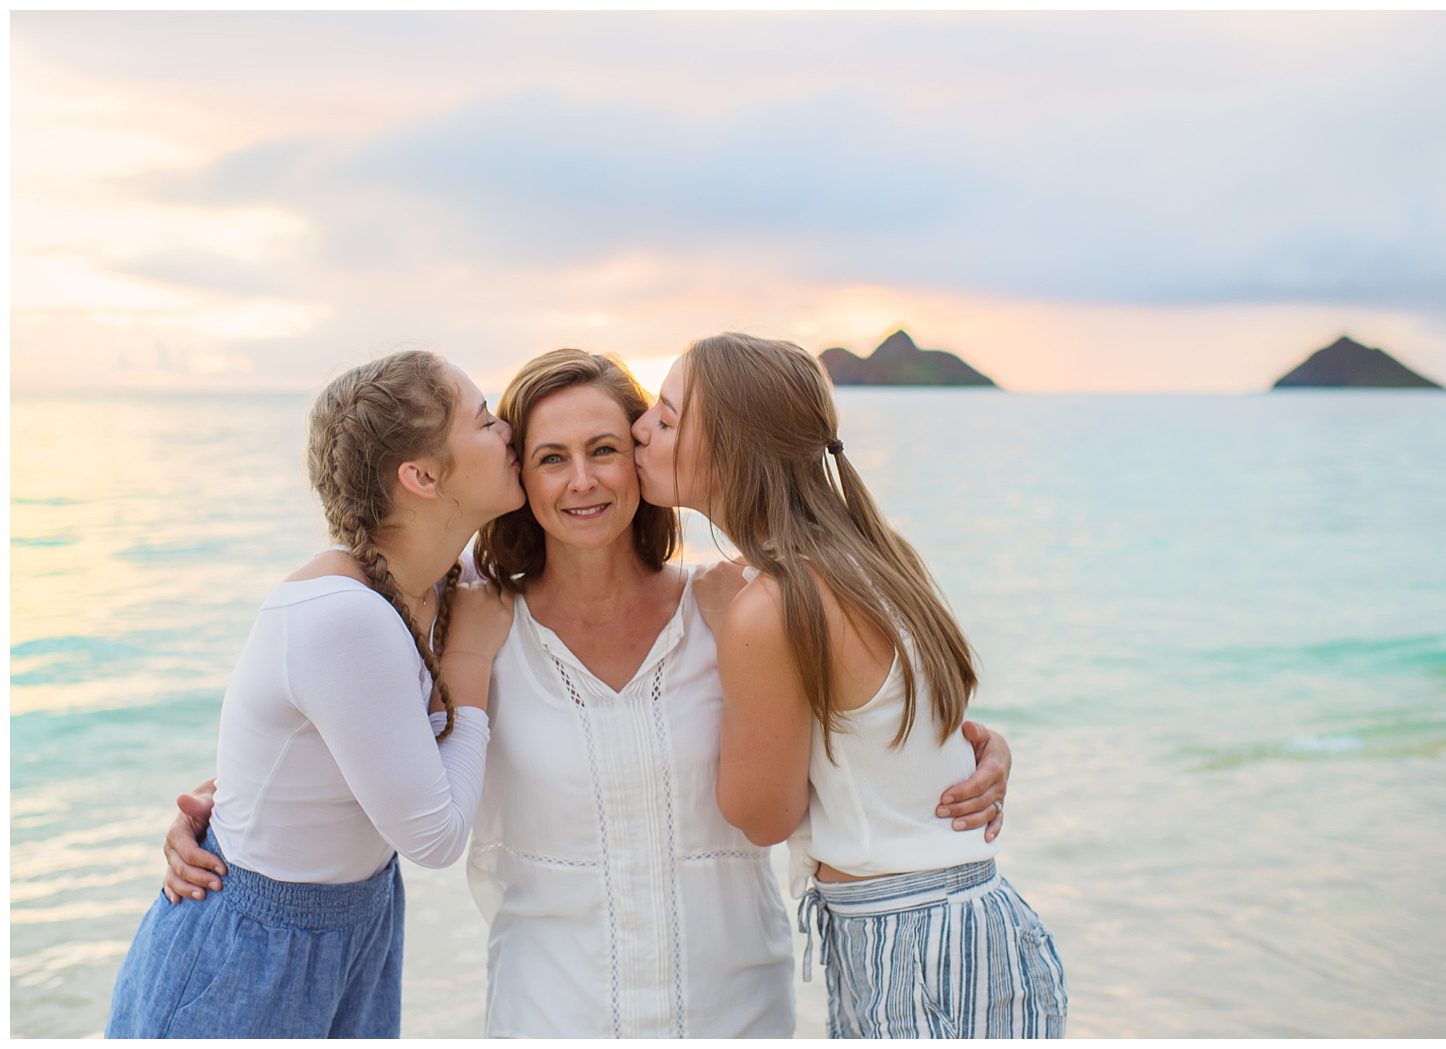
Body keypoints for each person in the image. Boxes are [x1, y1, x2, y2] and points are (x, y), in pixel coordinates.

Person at [160, 349, 1013, 1037]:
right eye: (549, 457)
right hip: (547, 1015)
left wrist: (969, 745)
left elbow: (868, 714)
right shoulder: (468, 623)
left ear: (644, 452)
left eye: (606, 448)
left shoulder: (738, 606)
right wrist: (220, 817)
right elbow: (330, 731)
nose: (583, 482)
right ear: (518, 475)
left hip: (738, 1015)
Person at [630, 332, 1068, 1038]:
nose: (640, 429)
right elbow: (921, 737)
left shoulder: (769, 607)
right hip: (971, 922)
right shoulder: (874, 554)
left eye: (667, 418)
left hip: (915, 946)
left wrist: (723, 639)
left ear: (732, 451)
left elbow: (760, 814)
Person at [107, 350, 521, 1038]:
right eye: (483, 420)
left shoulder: (445, 581)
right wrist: (472, 659)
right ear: (420, 476)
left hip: (358, 922)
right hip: (250, 948)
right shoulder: (342, 614)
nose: (505, 428)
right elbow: (435, 836)